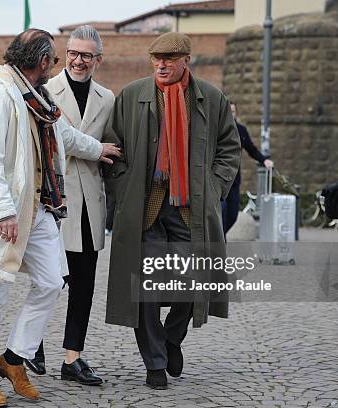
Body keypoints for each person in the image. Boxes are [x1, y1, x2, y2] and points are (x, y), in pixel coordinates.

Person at [0, 29, 121, 406]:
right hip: (3, 211)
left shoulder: (39, 96)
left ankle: (14, 358)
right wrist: (3, 211)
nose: (56, 64)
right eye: (53, 58)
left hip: (38, 207)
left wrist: (99, 148)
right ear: (40, 61)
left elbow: (65, 136)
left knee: (52, 281)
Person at [101, 32, 240, 389]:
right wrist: (124, 186)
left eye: (169, 59)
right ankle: (155, 363)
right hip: (144, 210)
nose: (161, 65)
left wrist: (214, 189)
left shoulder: (211, 98)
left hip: (189, 210)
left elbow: (229, 149)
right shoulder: (132, 96)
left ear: (185, 60)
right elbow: (111, 149)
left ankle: (170, 339)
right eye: (156, 59)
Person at [26, 25, 114, 385]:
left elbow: (112, 147)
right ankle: (33, 345)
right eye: (74, 53)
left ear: (98, 59)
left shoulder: (108, 99)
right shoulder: (44, 89)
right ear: (66, 53)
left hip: (90, 200)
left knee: (83, 284)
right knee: (49, 280)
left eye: (87, 55)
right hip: (52, 197)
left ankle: (72, 357)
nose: (79, 61)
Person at [222, 101, 273, 234]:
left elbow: (251, 149)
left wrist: (264, 160)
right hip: (218, 180)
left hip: (234, 180)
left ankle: (220, 237)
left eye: (233, 112)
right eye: (228, 111)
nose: (230, 114)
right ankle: (219, 243)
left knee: (232, 215)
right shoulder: (217, 129)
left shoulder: (241, 130)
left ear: (236, 113)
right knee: (221, 214)